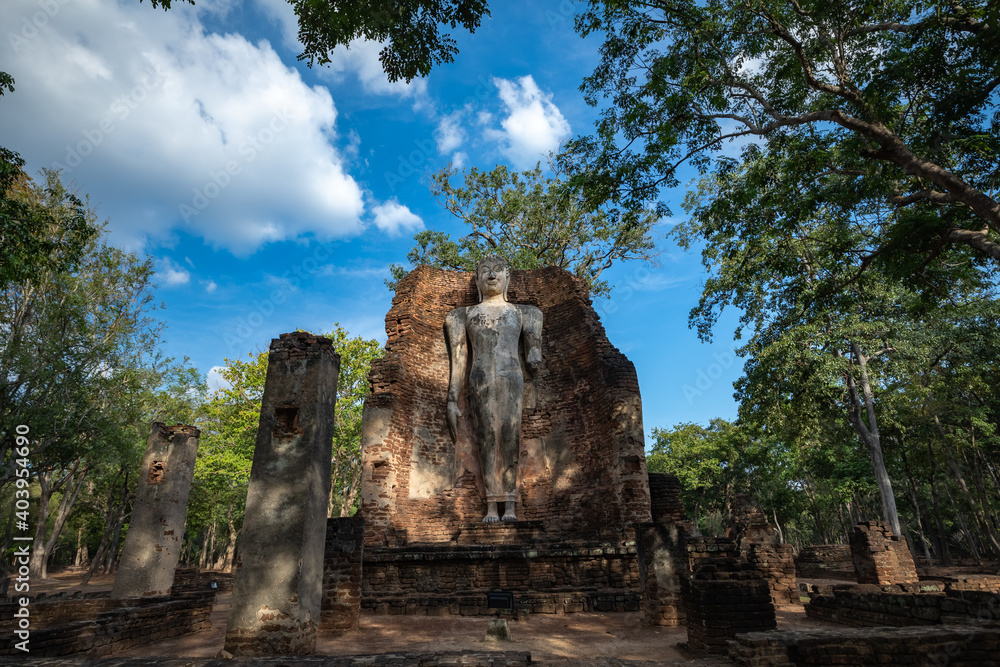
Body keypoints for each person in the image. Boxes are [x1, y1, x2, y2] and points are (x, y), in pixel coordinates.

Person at [445, 256, 542, 522]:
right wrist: (452, 399)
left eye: (498, 271)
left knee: (510, 435)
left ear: (507, 278)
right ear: (477, 280)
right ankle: (490, 505)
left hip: (512, 377)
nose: (491, 276)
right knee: (486, 436)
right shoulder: (462, 315)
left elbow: (534, 355)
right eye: (485, 271)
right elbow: (459, 359)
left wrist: (534, 352)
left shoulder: (526, 313)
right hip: (480, 378)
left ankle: (509, 505)